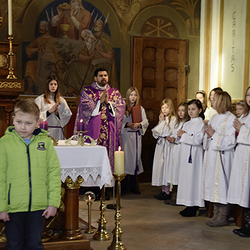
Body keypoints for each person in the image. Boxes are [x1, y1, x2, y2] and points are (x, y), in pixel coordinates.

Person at [0, 99, 61, 249]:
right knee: (14, 244)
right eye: (19, 121)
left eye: (28, 123)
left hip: (38, 208)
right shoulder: (4, 143)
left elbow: (54, 172)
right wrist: (1, 207)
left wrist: (53, 203)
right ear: (13, 119)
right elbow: (0, 176)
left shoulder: (45, 143)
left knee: (35, 244)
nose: (22, 127)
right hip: (13, 207)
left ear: (37, 123)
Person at [75, 68, 126, 171]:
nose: (104, 77)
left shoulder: (115, 92)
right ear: (95, 78)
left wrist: (108, 103)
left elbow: (120, 108)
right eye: (101, 75)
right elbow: (85, 109)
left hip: (109, 132)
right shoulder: (87, 91)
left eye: (105, 75)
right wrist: (99, 102)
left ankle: (108, 184)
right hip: (93, 131)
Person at [203, 91, 235, 227]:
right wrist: (209, 136)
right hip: (212, 155)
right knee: (213, 183)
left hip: (223, 156)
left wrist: (214, 135)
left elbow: (231, 140)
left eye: (215, 100)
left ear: (222, 102)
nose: (212, 102)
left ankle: (223, 215)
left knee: (222, 185)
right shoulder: (215, 118)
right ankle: (216, 213)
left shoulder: (232, 119)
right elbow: (209, 135)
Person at [176, 99, 205, 217]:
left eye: (193, 109)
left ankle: (194, 205)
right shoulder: (186, 123)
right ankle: (187, 203)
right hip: (185, 154)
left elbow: (198, 140)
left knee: (193, 179)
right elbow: (180, 138)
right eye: (189, 109)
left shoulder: (200, 123)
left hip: (194, 155)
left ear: (200, 110)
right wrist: (179, 136)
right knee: (186, 179)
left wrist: (183, 135)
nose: (191, 112)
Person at [227, 87, 250, 237]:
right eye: (248, 94)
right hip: (242, 154)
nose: (249, 97)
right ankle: (247, 223)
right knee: (244, 190)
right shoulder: (246, 115)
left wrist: (242, 129)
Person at [65, 29, 114, 96]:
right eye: (83, 38)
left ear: (90, 35)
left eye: (86, 36)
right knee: (74, 65)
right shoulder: (88, 45)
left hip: (101, 66)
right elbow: (80, 56)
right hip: (92, 65)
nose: (85, 39)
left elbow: (110, 56)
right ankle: (71, 90)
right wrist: (90, 57)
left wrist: (99, 50)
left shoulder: (100, 42)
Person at [121, 87, 149, 194]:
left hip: (136, 137)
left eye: (135, 95)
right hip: (126, 137)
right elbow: (118, 122)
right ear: (127, 96)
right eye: (131, 95)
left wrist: (139, 124)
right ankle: (124, 187)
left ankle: (133, 186)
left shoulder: (140, 108)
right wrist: (127, 124)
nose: (133, 97)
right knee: (125, 161)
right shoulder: (122, 107)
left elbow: (145, 121)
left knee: (134, 161)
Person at [164, 102, 189, 206]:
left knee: (178, 172)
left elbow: (183, 136)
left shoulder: (187, 123)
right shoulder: (177, 123)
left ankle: (179, 196)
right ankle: (174, 195)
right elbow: (174, 133)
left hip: (181, 150)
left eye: (183, 110)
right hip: (174, 150)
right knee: (173, 172)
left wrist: (175, 139)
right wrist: (171, 138)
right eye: (179, 110)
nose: (180, 113)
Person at [152, 98, 176, 200]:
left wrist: (162, 124)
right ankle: (163, 189)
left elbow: (167, 132)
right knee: (161, 167)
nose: (164, 110)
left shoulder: (173, 119)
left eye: (167, 107)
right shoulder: (163, 119)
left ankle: (167, 191)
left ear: (171, 108)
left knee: (166, 167)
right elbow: (155, 133)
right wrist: (160, 122)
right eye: (162, 108)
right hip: (160, 146)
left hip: (167, 146)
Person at [35, 75, 72, 140]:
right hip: (45, 130)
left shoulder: (61, 100)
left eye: (55, 84)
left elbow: (68, 114)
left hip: (57, 131)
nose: (53, 86)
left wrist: (57, 114)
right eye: (51, 84)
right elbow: (35, 115)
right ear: (47, 86)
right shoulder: (40, 99)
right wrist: (48, 112)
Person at [24, 21, 53, 95]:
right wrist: (37, 49)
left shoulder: (53, 40)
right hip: (39, 61)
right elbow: (28, 49)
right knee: (29, 64)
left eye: (42, 26)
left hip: (50, 62)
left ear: (47, 28)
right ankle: (30, 88)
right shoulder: (38, 40)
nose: (40, 28)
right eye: (40, 26)